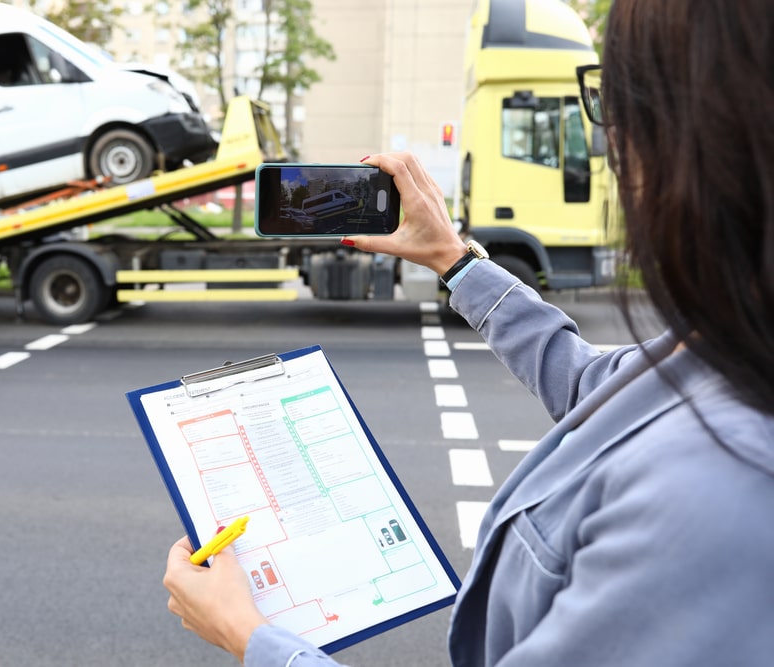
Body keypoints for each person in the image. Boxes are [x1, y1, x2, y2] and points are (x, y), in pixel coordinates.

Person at [162, 1, 774, 665]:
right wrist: (454, 259)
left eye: (617, 104)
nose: (611, 145)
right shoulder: (732, 349)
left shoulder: (718, 494)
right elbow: (603, 384)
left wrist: (255, 639)